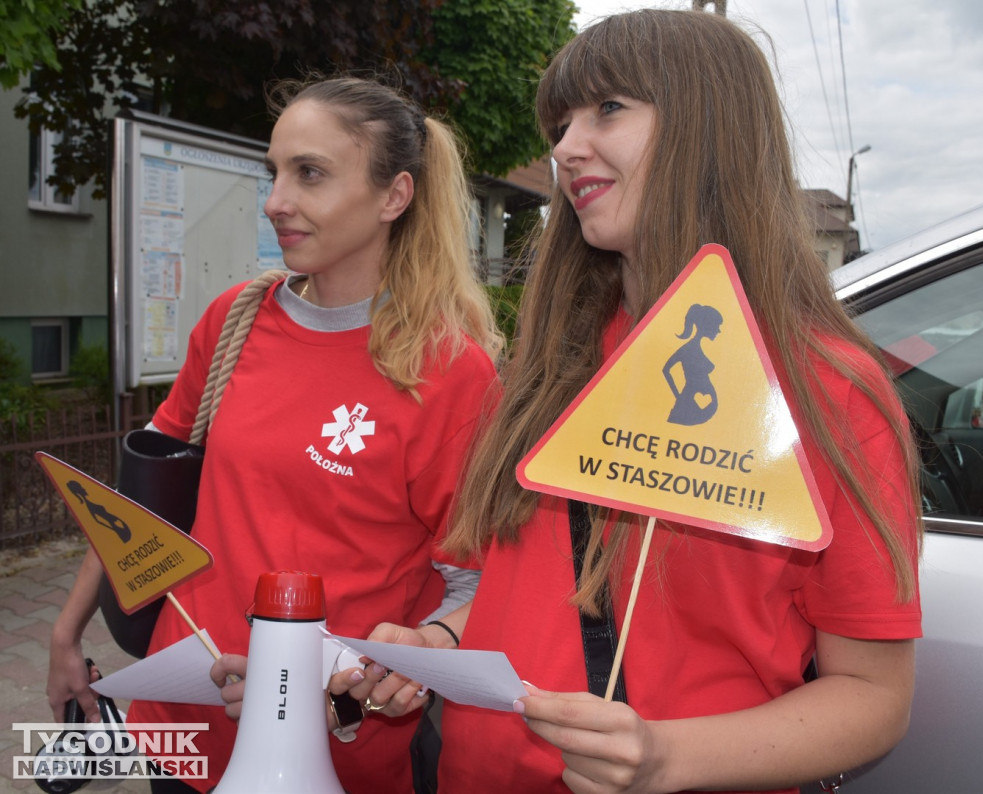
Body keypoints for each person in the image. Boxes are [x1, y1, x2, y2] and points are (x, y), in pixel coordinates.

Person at [337, 9, 924, 793]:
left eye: (607, 109)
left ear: (707, 127)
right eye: (561, 121)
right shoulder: (551, 359)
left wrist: (665, 758)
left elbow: (873, 700)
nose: (566, 147)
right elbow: (528, 593)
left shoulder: (829, 388)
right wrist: (443, 640)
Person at [47, 75, 502, 794]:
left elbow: (474, 590)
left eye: (309, 174)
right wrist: (68, 632)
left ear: (394, 197)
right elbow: (141, 509)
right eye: (274, 172)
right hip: (184, 720)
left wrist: (341, 693)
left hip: (334, 757)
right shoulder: (236, 317)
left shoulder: (449, 372)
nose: (275, 201)